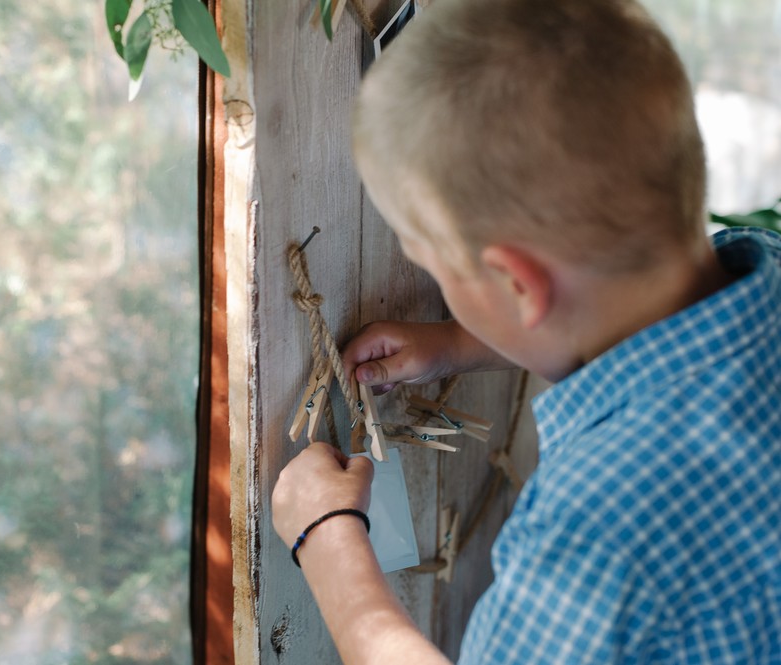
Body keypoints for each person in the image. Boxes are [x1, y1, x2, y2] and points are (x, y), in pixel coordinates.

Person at [270, 0, 781, 663]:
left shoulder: (593, 523)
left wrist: (329, 539)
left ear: (516, 285)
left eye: (435, 267)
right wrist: (461, 342)